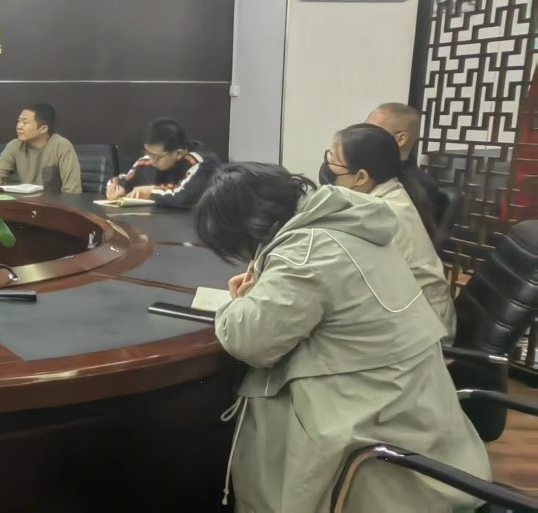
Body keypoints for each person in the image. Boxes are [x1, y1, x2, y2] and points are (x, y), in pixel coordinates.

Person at [196, 163, 488, 513]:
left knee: (260, 433)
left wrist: (236, 302)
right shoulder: (348, 219)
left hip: (374, 439)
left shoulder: (305, 253)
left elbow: (249, 340)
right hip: (419, 417)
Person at [322, 124, 451, 340]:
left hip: (423, 332)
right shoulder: (390, 192)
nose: (327, 167)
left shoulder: (379, 214)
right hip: (412, 314)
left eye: (332, 160)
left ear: (361, 177)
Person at [106, 118, 220, 208]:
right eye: (148, 153)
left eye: (157, 157)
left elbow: (183, 197)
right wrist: (115, 188)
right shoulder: (150, 158)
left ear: (178, 153)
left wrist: (150, 192)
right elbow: (125, 180)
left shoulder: (203, 163)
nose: (151, 160)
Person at [0, 103, 82, 194]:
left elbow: (72, 190)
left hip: (53, 204)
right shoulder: (14, 145)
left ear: (43, 129)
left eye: (25, 122)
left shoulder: (61, 146)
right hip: (25, 202)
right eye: (19, 121)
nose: (19, 126)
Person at [366, 102, 444, 211]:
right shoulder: (365, 169)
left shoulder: (417, 185)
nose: (361, 136)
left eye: (371, 131)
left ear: (401, 139)